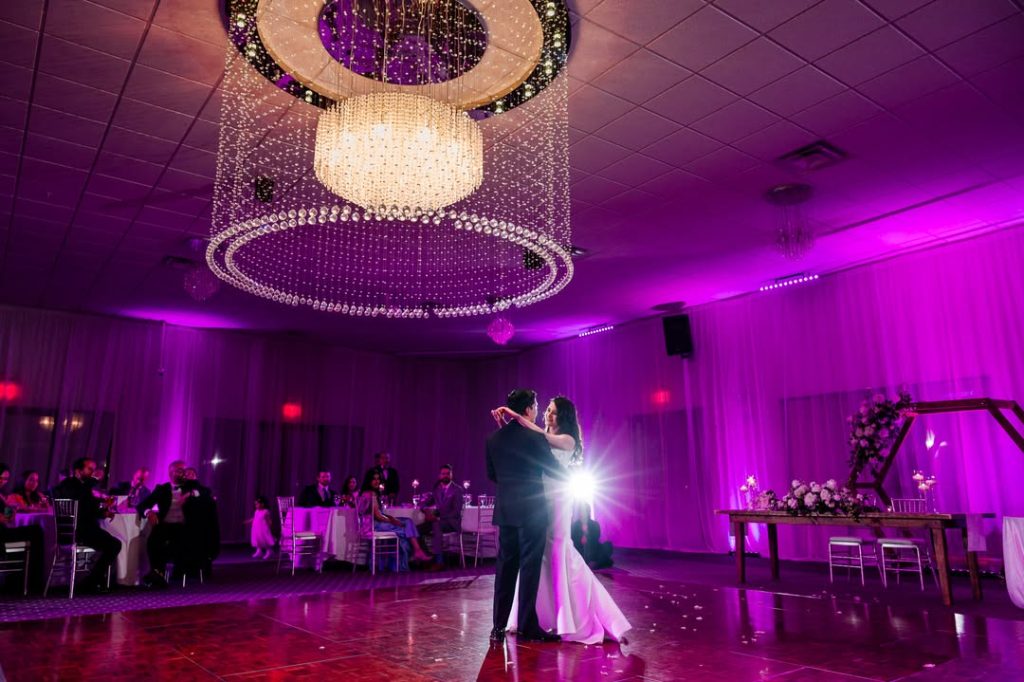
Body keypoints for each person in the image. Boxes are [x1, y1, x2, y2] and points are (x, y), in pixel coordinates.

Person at [493, 395, 631, 645]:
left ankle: (572, 616)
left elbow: (540, 437)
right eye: (547, 410)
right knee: (538, 557)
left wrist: (516, 417)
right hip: (536, 500)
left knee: (558, 548)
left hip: (556, 500)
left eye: (554, 412)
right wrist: (508, 428)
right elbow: (522, 448)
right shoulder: (539, 434)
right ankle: (536, 617)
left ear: (564, 417)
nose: (547, 415)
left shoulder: (567, 439)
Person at [486, 389, 568, 645]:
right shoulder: (534, 438)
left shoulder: (494, 438)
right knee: (529, 567)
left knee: (505, 567)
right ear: (529, 409)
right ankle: (528, 626)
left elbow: (492, 475)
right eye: (536, 406)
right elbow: (554, 469)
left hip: (506, 509)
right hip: (532, 510)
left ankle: (498, 627)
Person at [137, 460, 218, 587]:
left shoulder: (191, 487)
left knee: (177, 545)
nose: (183, 473)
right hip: (165, 525)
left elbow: (206, 493)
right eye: (179, 470)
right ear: (170, 473)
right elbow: (142, 505)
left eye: (184, 470)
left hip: (184, 527)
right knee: (153, 541)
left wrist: (191, 493)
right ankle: (158, 573)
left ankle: (159, 575)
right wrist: (148, 512)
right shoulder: (162, 489)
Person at [53, 457, 121, 593]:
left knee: (112, 543)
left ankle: (93, 581)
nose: (93, 473)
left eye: (94, 470)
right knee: (114, 544)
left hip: (85, 529)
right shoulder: (69, 484)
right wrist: (92, 481)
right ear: (78, 471)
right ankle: (92, 582)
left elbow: (87, 507)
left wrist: (103, 513)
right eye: (90, 469)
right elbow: (79, 505)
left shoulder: (82, 486)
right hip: (78, 532)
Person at [357, 469, 431, 570]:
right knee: (406, 526)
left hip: (371, 525)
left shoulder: (366, 493)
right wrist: (393, 520)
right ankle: (414, 554)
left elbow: (378, 515)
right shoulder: (371, 494)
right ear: (368, 480)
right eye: (374, 479)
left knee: (407, 524)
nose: (376, 481)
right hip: (373, 525)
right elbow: (378, 516)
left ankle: (412, 555)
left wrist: (392, 519)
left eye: (378, 479)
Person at [0, 464, 46, 594]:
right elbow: (4, 519)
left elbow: (8, 519)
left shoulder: (2, 495)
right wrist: (8, 511)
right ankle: (33, 583)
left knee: (36, 531)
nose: (3, 482)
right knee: (35, 532)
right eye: (1, 478)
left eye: (5, 479)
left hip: (4, 531)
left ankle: (25, 581)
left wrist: (10, 509)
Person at [417, 464, 463, 567]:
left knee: (436, 524)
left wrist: (438, 518)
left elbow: (456, 512)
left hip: (451, 523)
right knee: (416, 529)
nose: (445, 476)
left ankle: (439, 561)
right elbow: (425, 504)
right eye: (443, 474)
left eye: (448, 473)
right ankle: (427, 556)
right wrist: (425, 510)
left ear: (451, 475)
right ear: (439, 476)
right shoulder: (437, 489)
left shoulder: (457, 490)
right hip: (438, 521)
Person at [571, 502, 614, 570]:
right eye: (582, 512)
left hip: (593, 551)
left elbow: (596, 539)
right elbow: (573, 541)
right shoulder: (575, 525)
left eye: (585, 511)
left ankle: (595, 562)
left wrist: (587, 535)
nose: (583, 514)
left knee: (608, 545)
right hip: (580, 551)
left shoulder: (594, 524)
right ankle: (594, 563)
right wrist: (580, 539)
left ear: (588, 512)